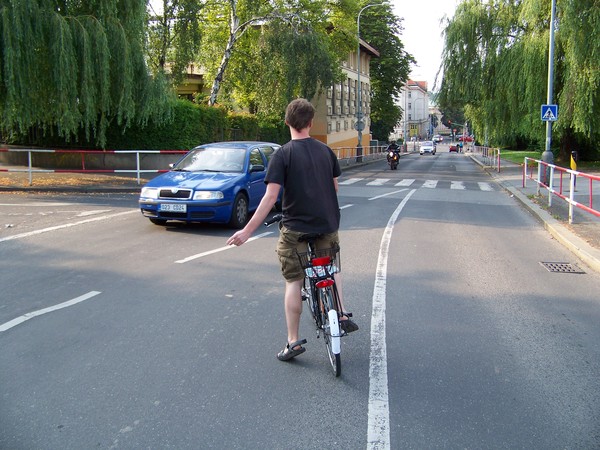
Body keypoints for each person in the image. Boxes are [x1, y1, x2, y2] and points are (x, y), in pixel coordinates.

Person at [226, 98, 358, 362]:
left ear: (287, 122)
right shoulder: (326, 152)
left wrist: (247, 231)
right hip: (327, 224)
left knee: (294, 281)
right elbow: (335, 188)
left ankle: (293, 341)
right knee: (331, 269)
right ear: (310, 123)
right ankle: (341, 312)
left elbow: (269, 197)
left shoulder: (282, 154)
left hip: (295, 228)